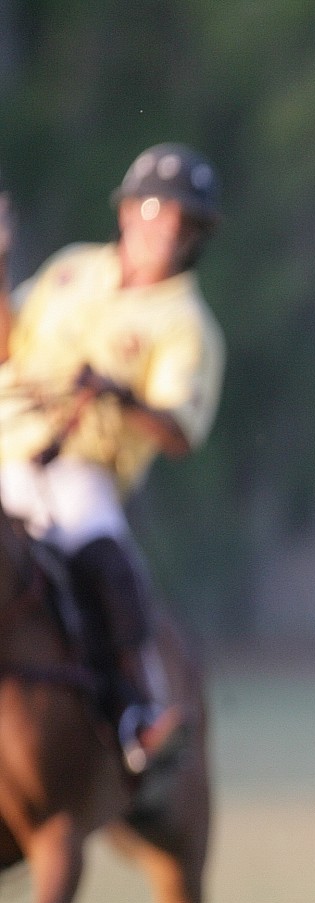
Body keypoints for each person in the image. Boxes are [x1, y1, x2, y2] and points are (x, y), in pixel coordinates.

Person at [0, 145, 225, 772]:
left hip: (78, 471)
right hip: (2, 450)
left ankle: (139, 709)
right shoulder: (71, 269)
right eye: (156, 209)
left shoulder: (187, 323)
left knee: (104, 555)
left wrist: (122, 398)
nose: (167, 228)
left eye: (186, 220)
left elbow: (179, 433)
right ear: (127, 212)